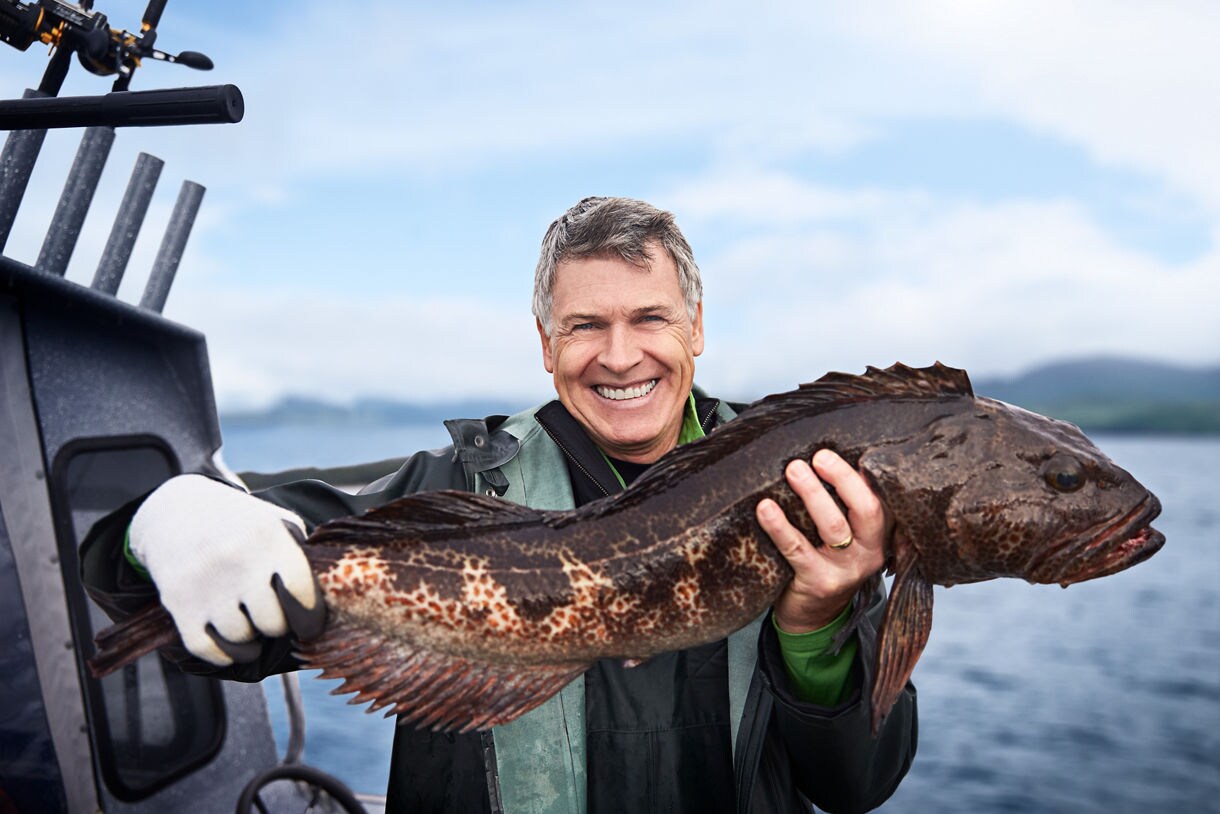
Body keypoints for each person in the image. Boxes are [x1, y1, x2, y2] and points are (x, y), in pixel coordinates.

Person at [82, 196, 917, 813]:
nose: (620, 355)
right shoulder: (451, 491)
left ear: (695, 328)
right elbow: (211, 596)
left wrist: (816, 624)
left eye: (650, 318)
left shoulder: (818, 506)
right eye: (585, 325)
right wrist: (165, 525)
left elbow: (857, 785)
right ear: (547, 346)